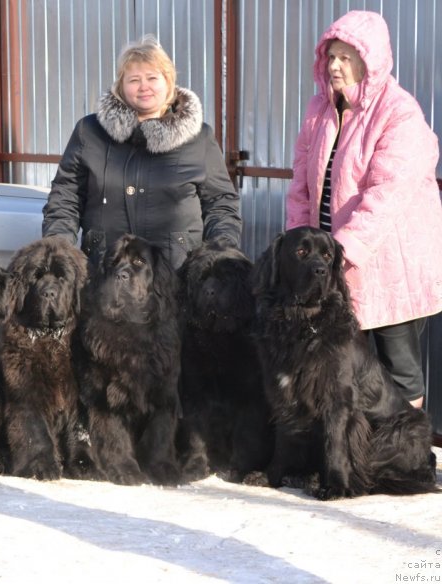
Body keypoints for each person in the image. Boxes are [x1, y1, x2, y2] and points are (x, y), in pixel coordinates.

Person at [286, 10, 442, 408]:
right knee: (343, 364)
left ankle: (407, 454)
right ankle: (353, 453)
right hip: (333, 265)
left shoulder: (400, 113)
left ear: (369, 60)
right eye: (331, 57)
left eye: (346, 57)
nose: (335, 66)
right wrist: (298, 245)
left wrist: (343, 251)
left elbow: (387, 195)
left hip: (389, 265)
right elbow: (301, 182)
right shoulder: (320, 109)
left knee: (397, 369)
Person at [42, 35, 242, 270]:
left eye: (152, 78)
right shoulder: (90, 132)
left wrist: (219, 255)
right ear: (121, 86)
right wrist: (58, 250)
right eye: (134, 79)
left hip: (177, 272)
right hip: (105, 270)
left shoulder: (199, 138)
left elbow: (220, 203)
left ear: (168, 81)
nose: (143, 86)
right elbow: (66, 196)